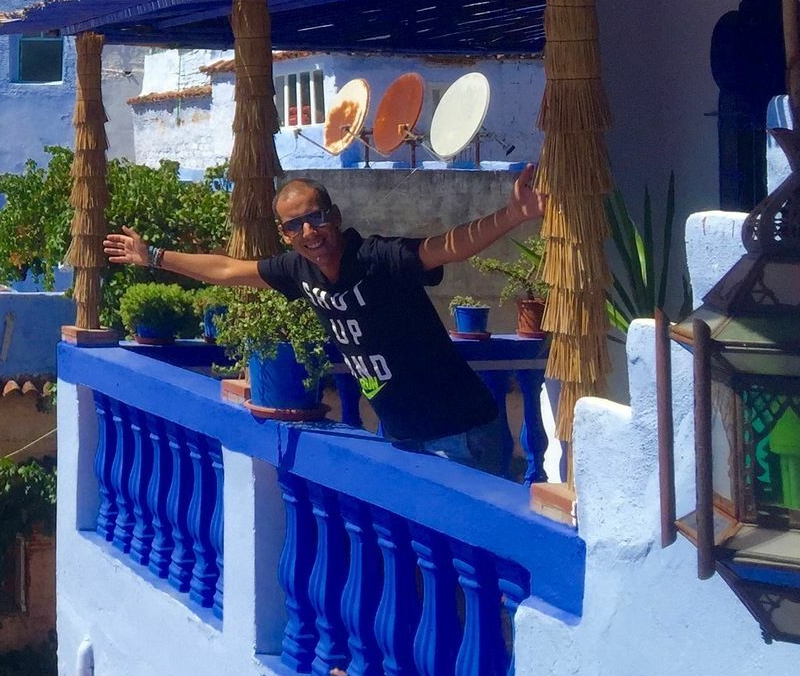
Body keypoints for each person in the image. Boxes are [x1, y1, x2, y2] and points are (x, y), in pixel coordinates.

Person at [103, 168, 545, 476]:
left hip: (461, 432)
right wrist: (154, 257)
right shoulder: (299, 271)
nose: (309, 233)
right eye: (295, 226)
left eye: (315, 218)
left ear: (333, 216)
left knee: (483, 574)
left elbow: (448, 246)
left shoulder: (377, 259)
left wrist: (514, 214)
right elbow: (225, 269)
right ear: (286, 235)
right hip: (402, 435)